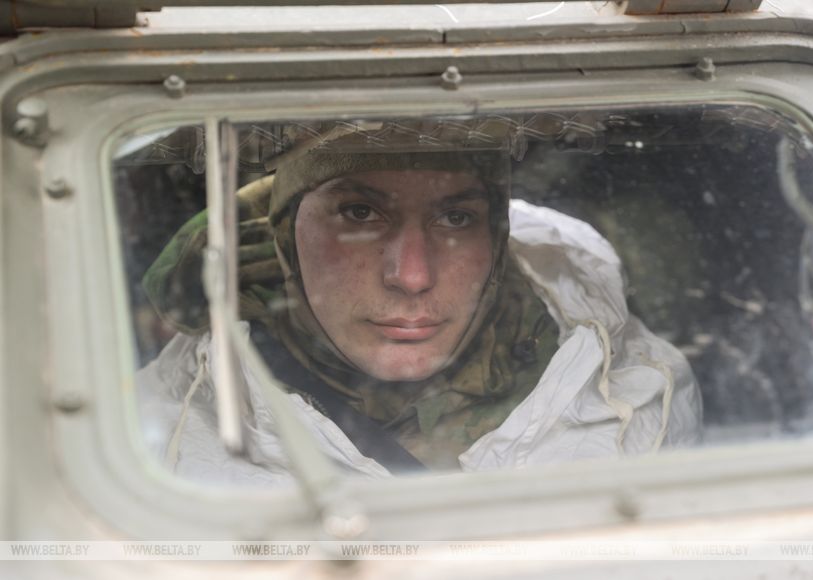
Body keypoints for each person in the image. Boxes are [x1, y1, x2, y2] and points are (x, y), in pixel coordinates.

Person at [135, 122, 702, 487]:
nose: (412, 276)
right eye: (359, 213)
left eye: (456, 218)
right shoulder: (154, 438)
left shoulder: (630, 393)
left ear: (497, 235)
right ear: (286, 232)